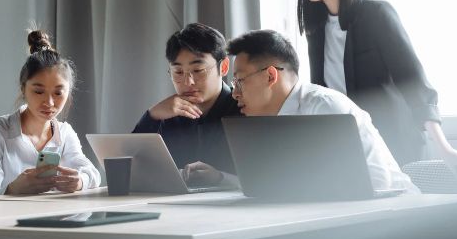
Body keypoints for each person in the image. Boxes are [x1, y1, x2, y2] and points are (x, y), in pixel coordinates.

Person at [298, 0, 457, 169]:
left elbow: (413, 81)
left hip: (395, 145)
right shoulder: (316, 29)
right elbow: (325, 94)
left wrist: (444, 149)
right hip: (348, 148)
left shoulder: (377, 13)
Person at [227, 29, 418, 194]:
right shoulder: (268, 121)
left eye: (240, 81)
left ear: (270, 76)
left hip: (399, 210)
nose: (235, 93)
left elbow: (377, 182)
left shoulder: (324, 107)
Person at [0, 30, 101, 196]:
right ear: (23, 89)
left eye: (58, 93)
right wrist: (12, 190)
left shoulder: (64, 133)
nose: (49, 103)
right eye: (39, 92)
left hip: (55, 213)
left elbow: (93, 174)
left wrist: (80, 181)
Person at [132, 23, 242, 187]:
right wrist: (152, 115)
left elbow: (266, 179)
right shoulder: (166, 115)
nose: (188, 82)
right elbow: (131, 168)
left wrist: (221, 178)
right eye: (178, 72)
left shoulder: (244, 108)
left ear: (224, 67)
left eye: (198, 70)